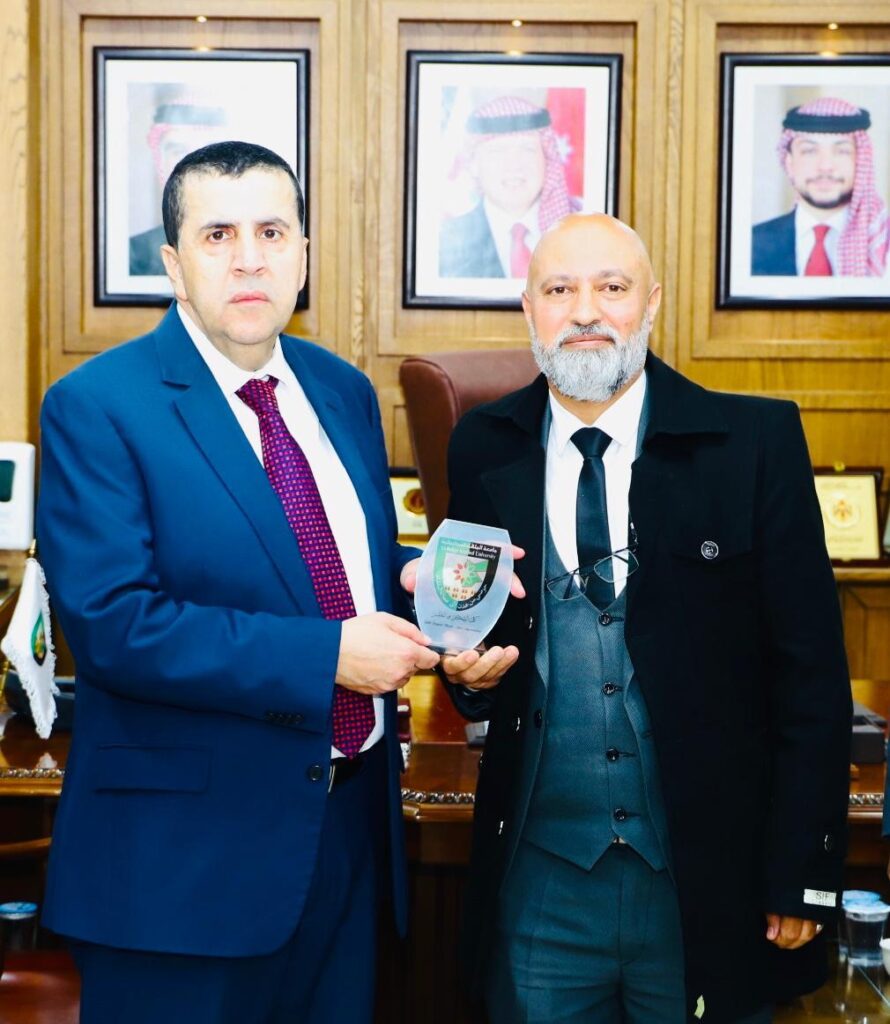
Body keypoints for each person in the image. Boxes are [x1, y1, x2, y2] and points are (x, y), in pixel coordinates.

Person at [37, 140, 439, 1024]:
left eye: (272, 232)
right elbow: (115, 625)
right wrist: (329, 657)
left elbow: (330, 573)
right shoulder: (97, 405)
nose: (250, 258)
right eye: (218, 235)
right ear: (173, 264)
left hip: (347, 844)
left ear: (304, 255)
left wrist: (426, 595)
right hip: (181, 878)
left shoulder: (343, 392)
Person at [442, 213, 852, 1023]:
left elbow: (811, 678)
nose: (585, 311)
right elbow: (473, 640)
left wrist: (802, 872)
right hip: (542, 889)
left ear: (652, 302)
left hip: (708, 885)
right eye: (560, 289)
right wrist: (469, 678)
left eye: (612, 287)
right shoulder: (483, 446)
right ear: (529, 310)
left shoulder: (753, 443)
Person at [439, 95, 575, 279]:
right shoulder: (446, 241)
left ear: (547, 159)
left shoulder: (579, 237)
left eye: (527, 149)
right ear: (474, 164)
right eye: (497, 151)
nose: (514, 165)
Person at [751, 96, 889, 276]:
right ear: (789, 163)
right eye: (809, 151)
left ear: (860, 162)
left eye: (841, 151)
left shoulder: (883, 243)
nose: (825, 166)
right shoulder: (751, 243)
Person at [129, 96, 226, 276]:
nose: (192, 166)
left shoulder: (255, 253)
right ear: (161, 162)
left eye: (207, 153)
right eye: (179, 152)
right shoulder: (135, 255)